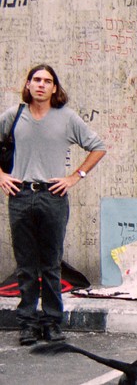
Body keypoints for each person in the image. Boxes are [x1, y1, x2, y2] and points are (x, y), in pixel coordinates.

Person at [0, 64, 106, 346]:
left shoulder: (67, 118)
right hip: (20, 195)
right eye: (36, 79)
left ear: (55, 88)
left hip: (52, 197)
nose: (41, 85)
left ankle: (51, 323)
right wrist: (1, 175)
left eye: (47, 81)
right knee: (25, 265)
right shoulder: (14, 116)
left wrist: (75, 176)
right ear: (28, 84)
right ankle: (26, 324)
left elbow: (98, 147)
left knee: (50, 264)